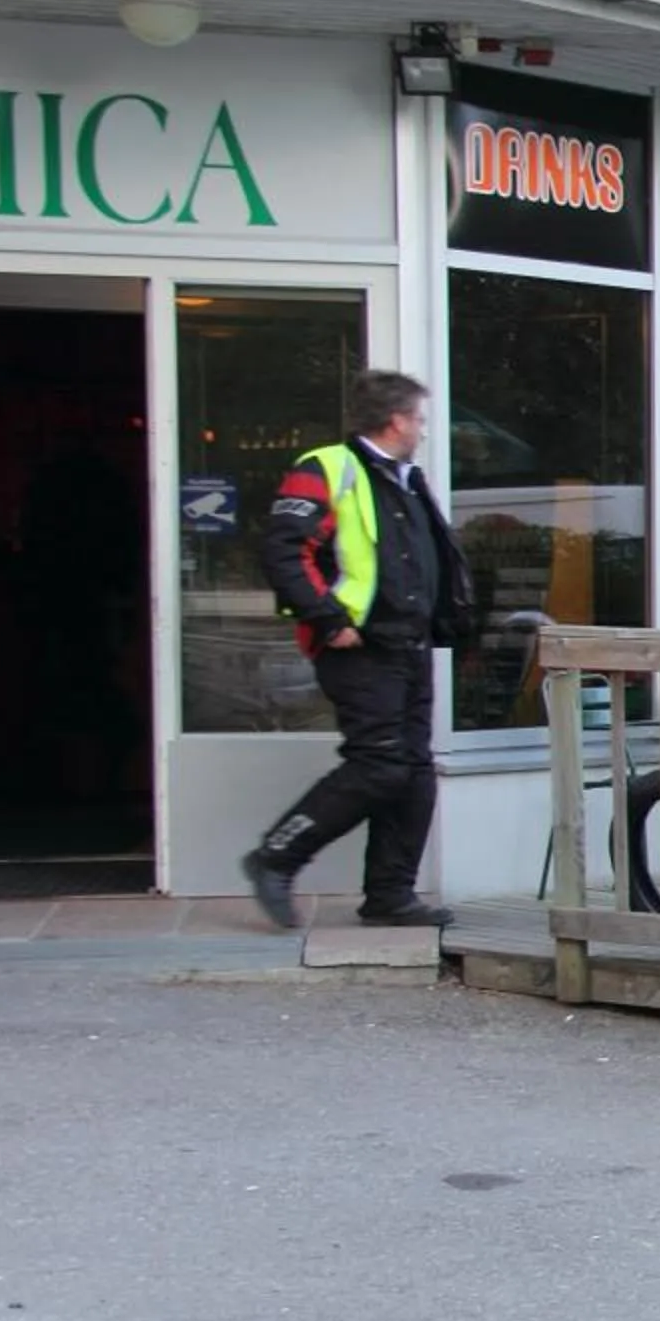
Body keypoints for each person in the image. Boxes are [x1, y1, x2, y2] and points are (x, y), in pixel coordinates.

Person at [240, 369, 476, 932]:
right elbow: (284, 551)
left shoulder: (404, 477)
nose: (422, 428)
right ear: (397, 420)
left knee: (413, 772)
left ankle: (391, 896)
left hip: (410, 646)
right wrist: (327, 619)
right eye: (419, 418)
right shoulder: (329, 468)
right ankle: (276, 856)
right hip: (358, 647)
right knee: (380, 765)